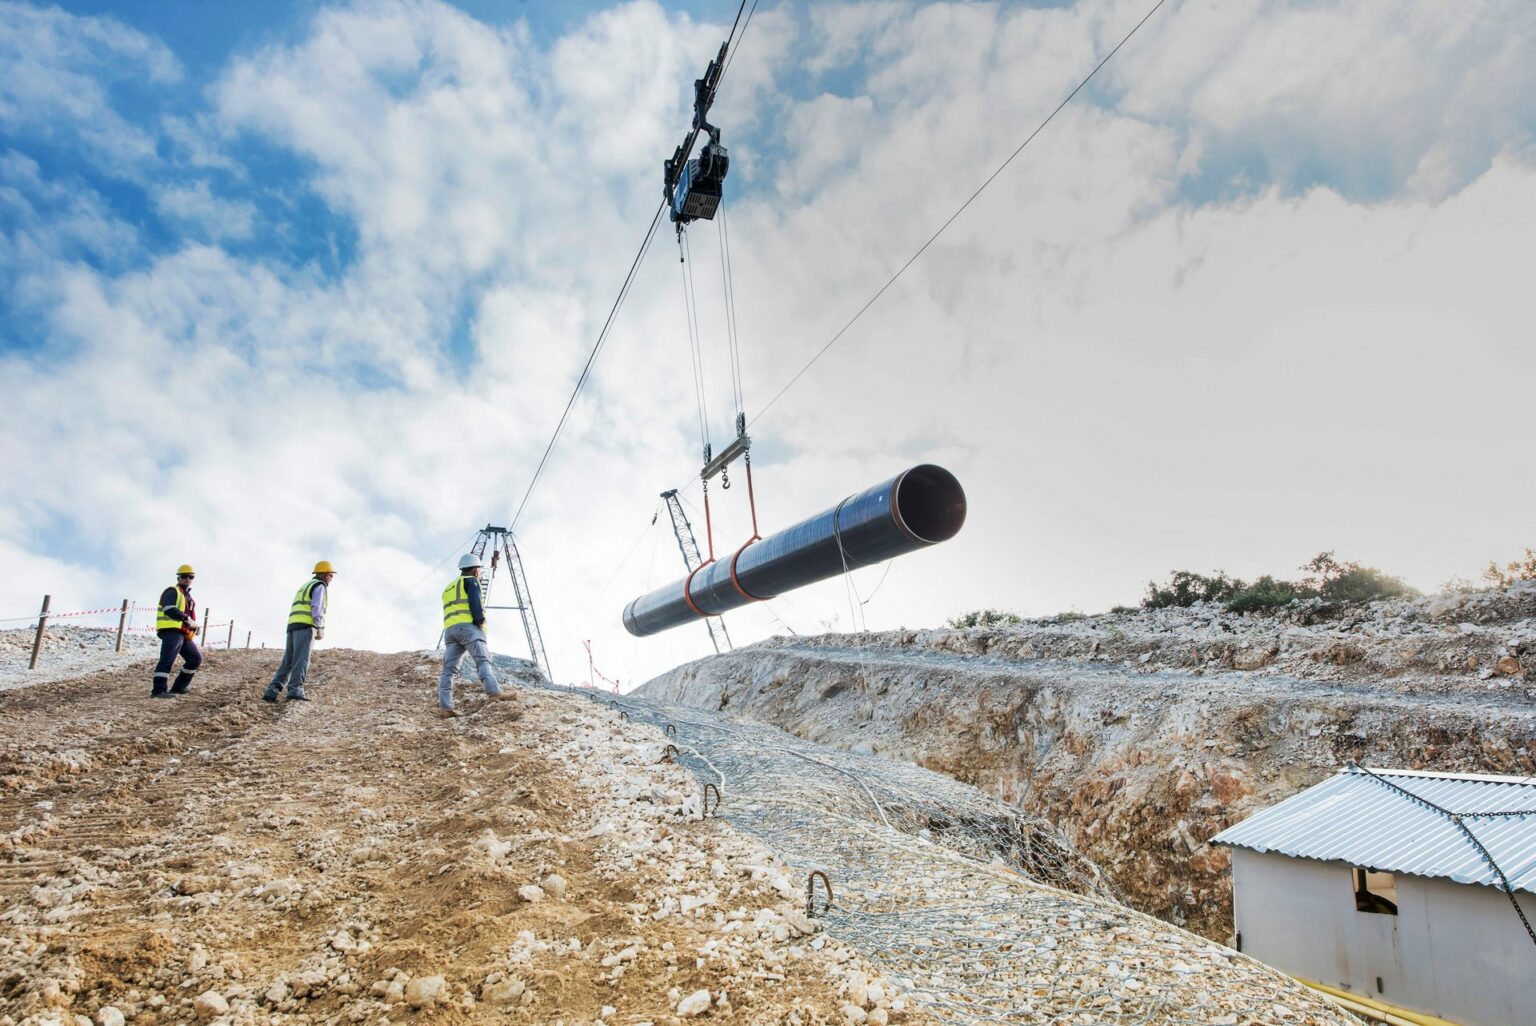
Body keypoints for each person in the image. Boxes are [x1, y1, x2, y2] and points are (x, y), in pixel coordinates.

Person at [438, 553, 520, 719]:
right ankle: (494, 692)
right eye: (479, 570)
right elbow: (475, 602)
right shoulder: (471, 581)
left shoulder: (449, 587)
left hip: (450, 631)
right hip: (469, 628)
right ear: (475, 569)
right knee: (482, 660)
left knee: (448, 670)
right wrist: (480, 620)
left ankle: (445, 707)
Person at [263, 561, 335, 703]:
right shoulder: (320, 586)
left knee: (288, 661)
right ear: (325, 575)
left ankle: (272, 691)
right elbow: (317, 608)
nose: (331, 578)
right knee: (301, 659)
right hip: (306, 626)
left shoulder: (305, 585)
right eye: (331, 575)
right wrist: (320, 627)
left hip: (292, 625)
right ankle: (295, 689)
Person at [152, 564, 202, 698]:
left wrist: (194, 626)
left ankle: (179, 687)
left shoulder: (187, 596)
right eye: (184, 576)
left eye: (191, 576)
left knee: (195, 659)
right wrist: (187, 619)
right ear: (178, 577)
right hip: (171, 630)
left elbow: (188, 614)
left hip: (183, 632)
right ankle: (158, 691)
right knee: (167, 660)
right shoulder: (172, 591)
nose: (188, 579)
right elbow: (169, 609)